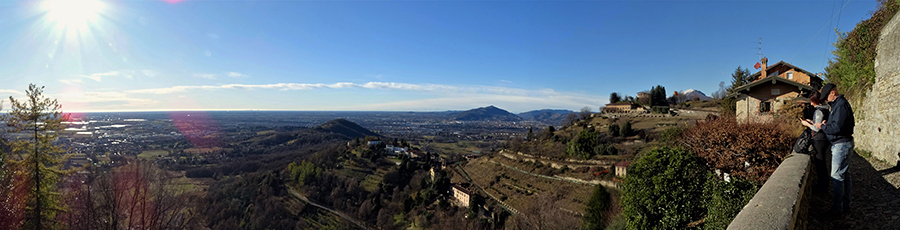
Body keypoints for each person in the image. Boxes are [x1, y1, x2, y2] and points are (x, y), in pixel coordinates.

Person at [812, 83, 855, 216]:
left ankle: (837, 210)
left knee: (836, 176)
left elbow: (836, 128)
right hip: (843, 143)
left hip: (841, 144)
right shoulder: (838, 105)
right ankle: (845, 206)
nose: (825, 100)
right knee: (844, 175)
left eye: (825, 97)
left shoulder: (840, 105)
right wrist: (827, 124)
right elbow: (837, 124)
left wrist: (822, 126)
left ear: (832, 93)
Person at [801, 91, 831, 192]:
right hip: (823, 139)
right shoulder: (825, 109)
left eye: (811, 101)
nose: (810, 104)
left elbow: (817, 128)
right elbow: (819, 123)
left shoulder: (819, 111)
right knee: (821, 162)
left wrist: (807, 124)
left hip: (819, 139)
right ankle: (824, 184)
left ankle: (823, 186)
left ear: (815, 100)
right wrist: (811, 121)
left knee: (820, 163)